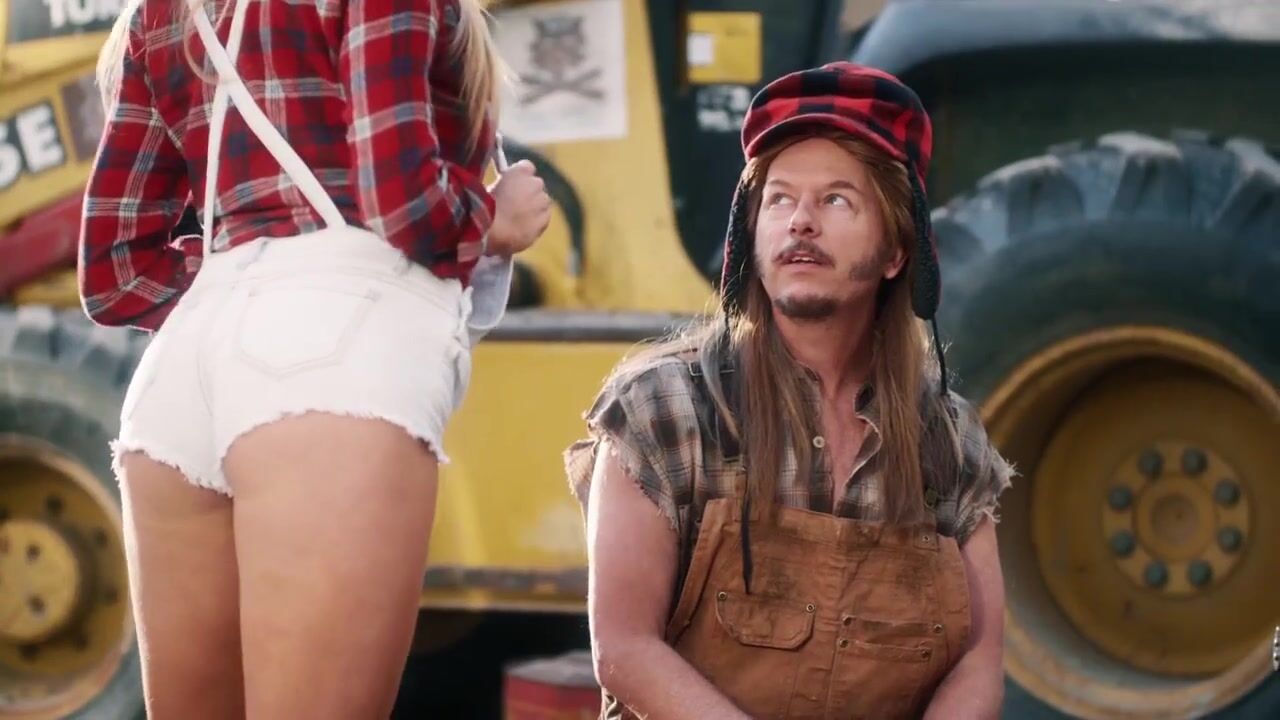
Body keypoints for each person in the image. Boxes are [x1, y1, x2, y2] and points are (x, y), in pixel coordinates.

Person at [78, 0, 551, 717]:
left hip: (179, 374)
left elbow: (114, 271)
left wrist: (249, 283)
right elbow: (402, 203)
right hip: (337, 350)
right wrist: (494, 219)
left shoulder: (157, 16)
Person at [565, 62, 1014, 720]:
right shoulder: (664, 409)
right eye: (779, 199)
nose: (800, 222)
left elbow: (979, 659)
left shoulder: (949, 442)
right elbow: (625, 648)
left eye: (836, 200)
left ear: (897, 252)